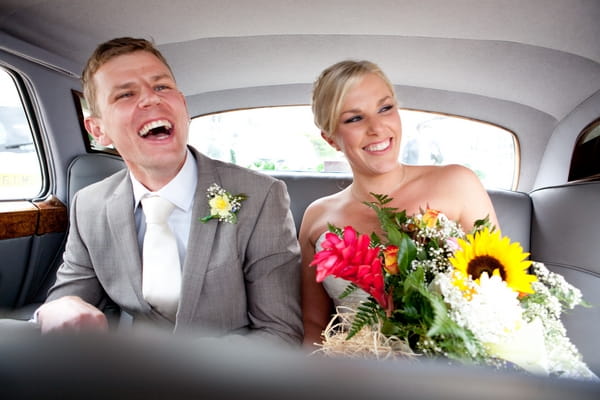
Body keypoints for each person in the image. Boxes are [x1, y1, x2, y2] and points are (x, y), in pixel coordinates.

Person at [35, 37, 303, 346]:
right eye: (125, 94)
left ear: (183, 107)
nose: (150, 99)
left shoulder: (260, 195)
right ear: (98, 130)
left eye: (161, 87)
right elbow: (68, 298)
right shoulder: (90, 205)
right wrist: (59, 308)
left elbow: (281, 334)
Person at [299, 60, 499, 347]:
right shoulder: (317, 217)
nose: (377, 128)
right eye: (354, 119)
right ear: (331, 139)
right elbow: (315, 325)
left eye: (385, 108)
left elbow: (503, 293)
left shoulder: (457, 183)